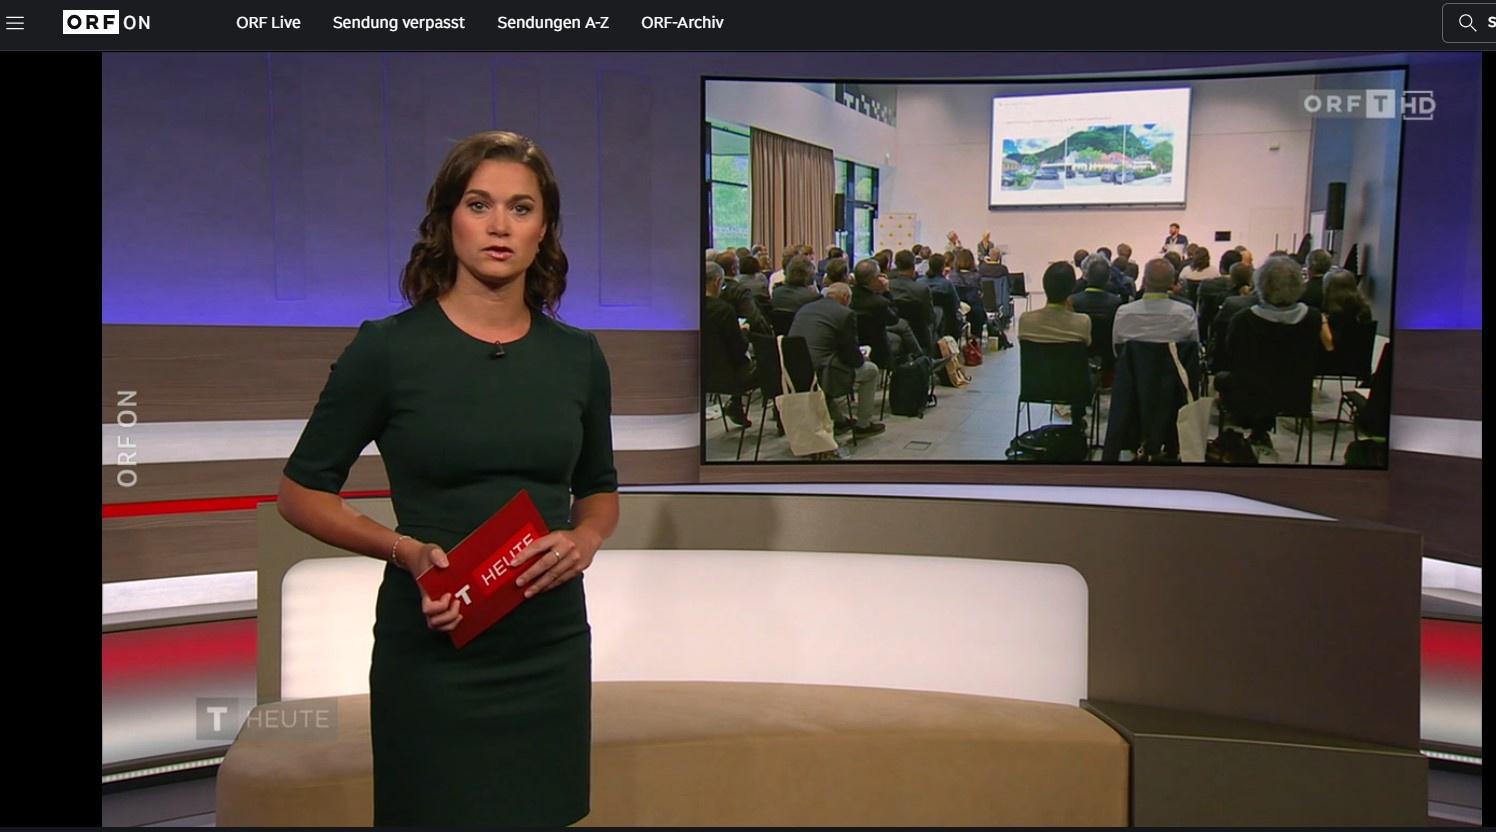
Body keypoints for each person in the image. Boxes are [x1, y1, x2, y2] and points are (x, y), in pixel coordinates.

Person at [276, 131, 619, 827]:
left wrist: (584, 540)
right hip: (434, 644)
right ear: (447, 219)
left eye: (521, 208)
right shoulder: (388, 350)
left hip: (548, 644)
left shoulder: (579, 356)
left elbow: (599, 490)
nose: (500, 226)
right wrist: (404, 551)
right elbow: (301, 493)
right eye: (479, 204)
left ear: (544, 228)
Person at [1216, 255, 1327, 447]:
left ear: (1261, 284)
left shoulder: (1242, 320)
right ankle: (1261, 432)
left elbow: (1229, 356)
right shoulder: (1313, 318)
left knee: (1224, 378)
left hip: (1248, 396)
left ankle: (1257, 432)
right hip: (1295, 397)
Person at [788, 282, 885, 437]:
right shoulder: (845, 314)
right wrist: (863, 358)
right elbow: (852, 357)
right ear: (846, 298)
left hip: (793, 372)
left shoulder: (805, 309)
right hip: (823, 373)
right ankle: (864, 425)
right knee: (871, 371)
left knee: (826, 364)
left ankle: (839, 420)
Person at [1019, 261, 1093, 430]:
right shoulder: (1082, 321)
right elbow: (1088, 345)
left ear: (1044, 285)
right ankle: (1077, 420)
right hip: (1074, 390)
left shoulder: (1025, 320)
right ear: (1072, 288)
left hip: (1034, 388)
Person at [704, 262, 755, 426]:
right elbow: (738, 349)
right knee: (771, 364)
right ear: (717, 282)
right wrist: (744, 333)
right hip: (726, 377)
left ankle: (736, 405)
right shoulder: (724, 310)